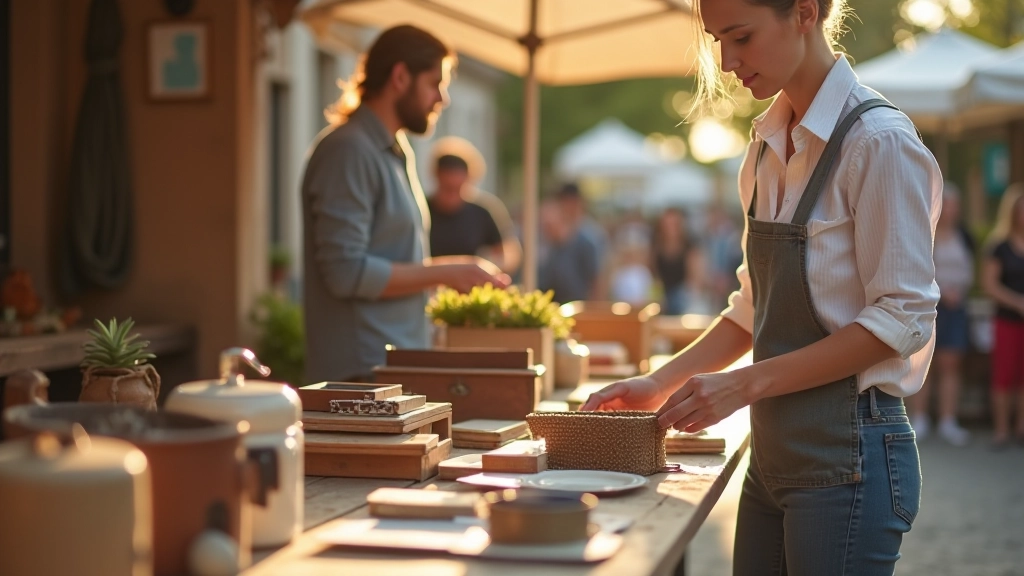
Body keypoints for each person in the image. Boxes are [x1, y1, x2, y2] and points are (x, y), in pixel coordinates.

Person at [582, 0, 941, 573]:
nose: (726, 62)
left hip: (852, 455)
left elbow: (902, 320)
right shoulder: (763, 149)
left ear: (804, 12)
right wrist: (658, 381)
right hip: (772, 455)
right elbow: (756, 308)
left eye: (741, 37)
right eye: (716, 40)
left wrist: (743, 384)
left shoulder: (878, 141)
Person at [300, 25, 508, 383]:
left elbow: (391, 261)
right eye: (434, 83)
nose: (442, 98)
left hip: (390, 367)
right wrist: (445, 271)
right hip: (360, 379)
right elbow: (345, 272)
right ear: (399, 77)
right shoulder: (349, 151)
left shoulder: (396, 152)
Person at [910, 184, 974, 446]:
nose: (952, 210)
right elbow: (916, 269)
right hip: (929, 308)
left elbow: (971, 272)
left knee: (951, 365)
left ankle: (949, 421)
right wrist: (940, 292)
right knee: (924, 365)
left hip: (956, 310)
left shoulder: (965, 237)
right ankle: (919, 418)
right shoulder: (923, 234)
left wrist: (958, 293)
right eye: (947, 204)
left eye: (955, 205)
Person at [426, 137, 522, 274]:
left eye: (458, 189)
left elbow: (509, 253)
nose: (452, 197)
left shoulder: (483, 211)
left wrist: (489, 267)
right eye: (447, 188)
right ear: (436, 177)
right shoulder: (421, 209)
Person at [981, 183, 1024, 448]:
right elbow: (989, 284)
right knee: (1004, 375)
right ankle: (1001, 430)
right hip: (1007, 320)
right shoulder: (999, 246)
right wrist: (1018, 302)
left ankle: (1022, 429)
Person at [538, 184, 606, 303]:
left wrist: (594, 310)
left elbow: (597, 280)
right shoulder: (551, 241)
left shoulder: (588, 238)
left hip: (580, 307)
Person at [651, 208, 703, 315]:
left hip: (682, 293)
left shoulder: (690, 247)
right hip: (661, 292)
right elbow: (654, 273)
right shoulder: (656, 246)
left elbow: (694, 277)